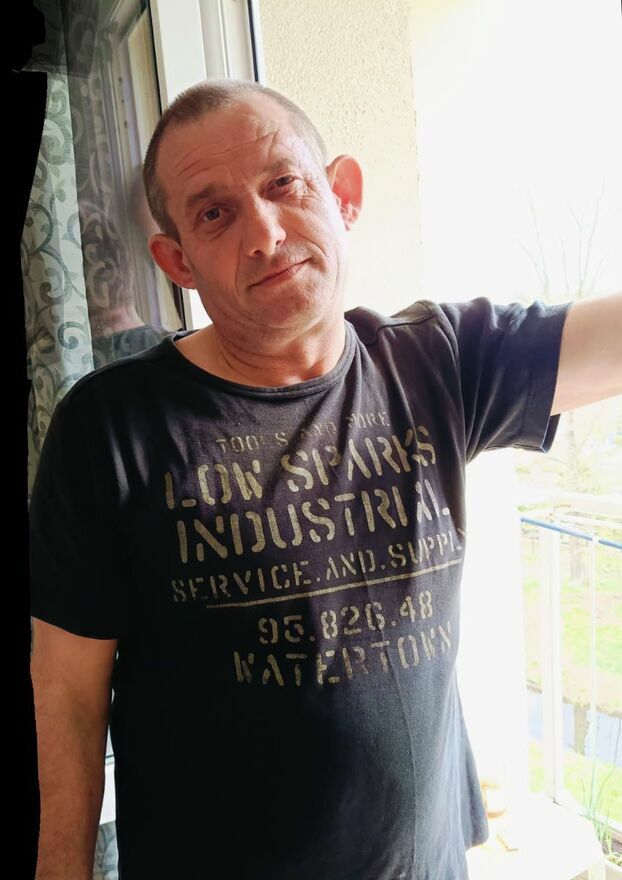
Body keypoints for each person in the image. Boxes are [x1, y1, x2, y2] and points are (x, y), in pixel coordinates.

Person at [28, 78, 622, 880]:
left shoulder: (438, 363)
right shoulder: (111, 429)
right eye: (215, 213)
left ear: (343, 195)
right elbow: (66, 696)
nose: (265, 233)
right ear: (178, 261)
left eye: (285, 183)